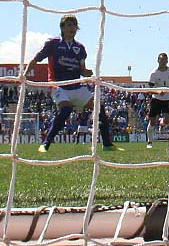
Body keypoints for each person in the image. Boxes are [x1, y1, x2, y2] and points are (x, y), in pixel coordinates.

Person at [23, 15, 120, 152]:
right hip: (59, 85)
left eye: (74, 25)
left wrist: (88, 73)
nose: (72, 28)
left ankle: (107, 144)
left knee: (99, 108)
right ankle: (45, 144)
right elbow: (36, 59)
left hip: (77, 86)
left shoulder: (79, 48)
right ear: (62, 27)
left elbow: (82, 70)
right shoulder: (53, 44)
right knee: (66, 110)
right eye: (69, 25)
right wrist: (25, 74)